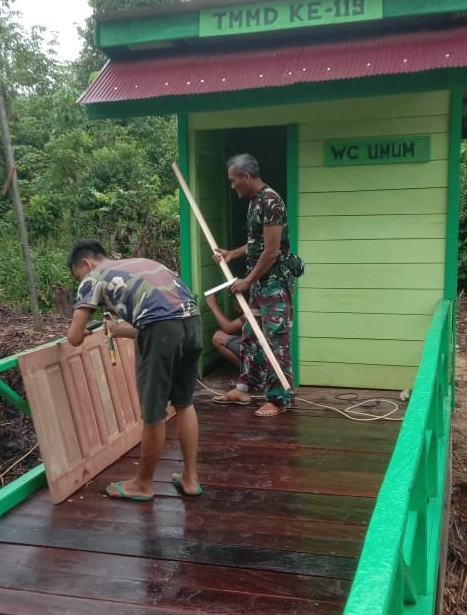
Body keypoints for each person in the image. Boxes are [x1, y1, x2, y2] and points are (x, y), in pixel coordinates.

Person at [65, 239, 203, 500]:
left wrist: (79, 331)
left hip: (163, 330)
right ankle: (190, 478)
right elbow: (159, 317)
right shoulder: (141, 264)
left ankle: (143, 484)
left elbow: (73, 337)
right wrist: (118, 330)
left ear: (86, 263)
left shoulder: (94, 275)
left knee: (153, 412)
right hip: (192, 323)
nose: (80, 281)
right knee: (185, 403)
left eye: (77, 276)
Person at [211, 153, 295, 417]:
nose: (232, 185)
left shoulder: (271, 201)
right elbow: (258, 243)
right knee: (251, 336)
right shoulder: (255, 202)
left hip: (275, 284)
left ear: (246, 177)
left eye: (234, 180)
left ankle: (280, 399)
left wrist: (247, 280)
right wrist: (232, 254)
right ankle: (244, 388)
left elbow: (271, 252)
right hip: (260, 284)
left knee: (275, 339)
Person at [203, 291, 244, 368]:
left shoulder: (256, 307)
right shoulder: (270, 302)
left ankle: (248, 371)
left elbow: (228, 328)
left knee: (218, 337)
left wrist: (213, 305)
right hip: (271, 351)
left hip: (260, 353)